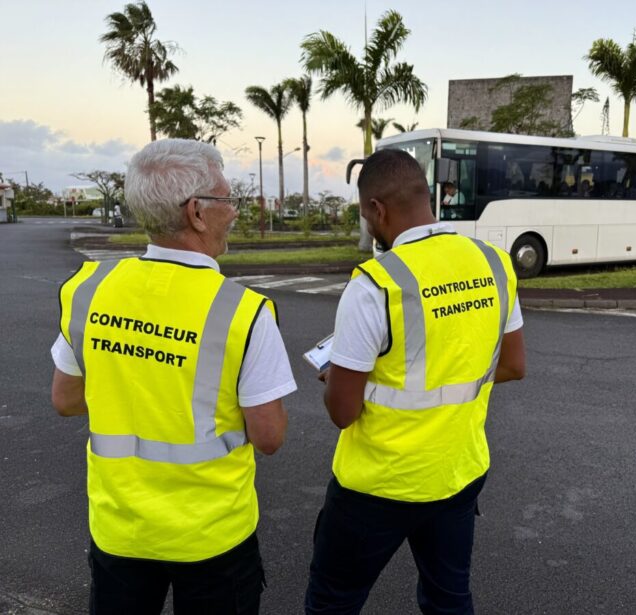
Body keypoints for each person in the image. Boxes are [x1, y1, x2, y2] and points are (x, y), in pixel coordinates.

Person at [50, 139, 296, 614]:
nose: (235, 212)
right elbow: (268, 436)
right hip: (212, 536)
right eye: (228, 200)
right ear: (197, 213)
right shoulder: (241, 311)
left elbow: (65, 399)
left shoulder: (90, 290)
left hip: (120, 529)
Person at [304, 149, 526, 614]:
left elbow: (342, 412)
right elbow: (512, 364)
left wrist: (335, 378)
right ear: (427, 196)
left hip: (376, 487)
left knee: (333, 601)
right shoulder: (493, 263)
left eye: (366, 215)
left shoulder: (374, 285)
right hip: (456, 475)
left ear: (376, 209)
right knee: (449, 599)